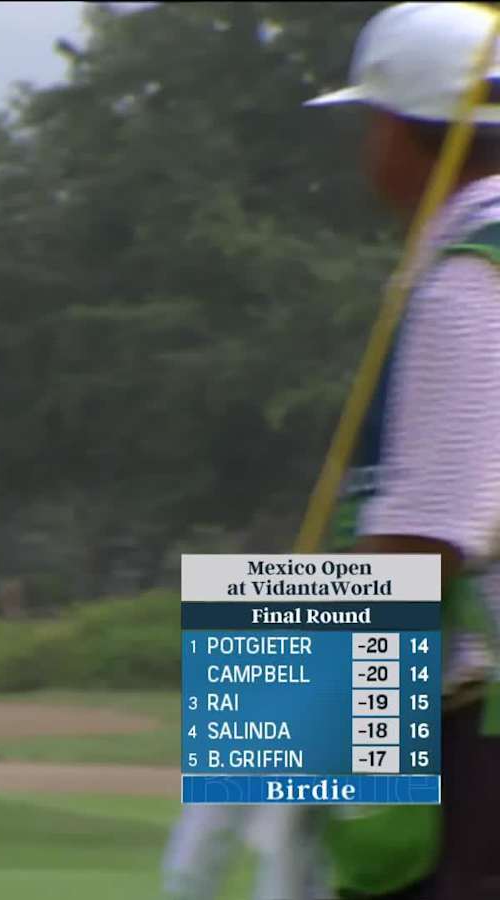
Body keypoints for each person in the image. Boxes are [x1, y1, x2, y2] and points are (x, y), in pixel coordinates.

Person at [306, 3, 500, 899]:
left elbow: (426, 539)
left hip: (474, 739)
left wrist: (281, 711)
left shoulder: (473, 269)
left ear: (400, 130)